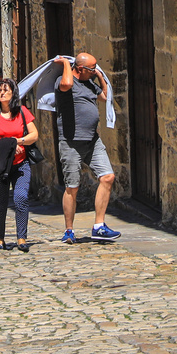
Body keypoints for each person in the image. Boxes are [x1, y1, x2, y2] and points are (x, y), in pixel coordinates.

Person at [56, 53, 121, 242]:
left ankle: (99, 226)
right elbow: (67, 84)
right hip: (71, 142)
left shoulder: (89, 84)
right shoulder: (63, 81)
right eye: (92, 69)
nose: (94, 71)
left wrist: (100, 75)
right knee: (72, 187)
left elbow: (105, 96)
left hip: (92, 140)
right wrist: (65, 64)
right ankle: (69, 230)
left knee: (108, 177)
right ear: (81, 68)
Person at [0, 78, 38, 250]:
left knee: (21, 197)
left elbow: (34, 135)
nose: (2, 93)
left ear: (13, 93)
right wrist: (13, 146)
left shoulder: (22, 112)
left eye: (6, 90)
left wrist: (20, 141)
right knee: (0, 202)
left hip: (20, 165)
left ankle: (22, 238)